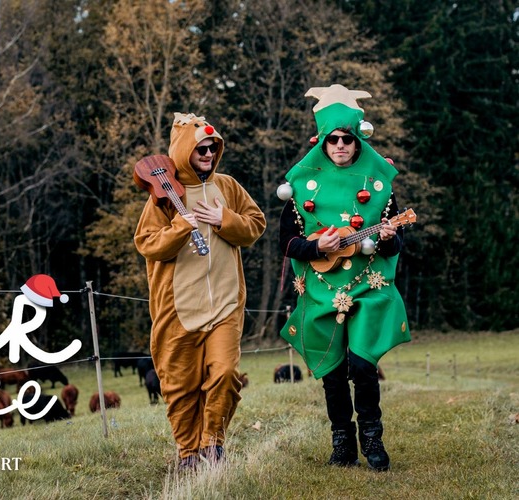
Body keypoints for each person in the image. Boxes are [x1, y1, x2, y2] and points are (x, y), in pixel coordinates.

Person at [278, 84, 410, 471]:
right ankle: (342, 441)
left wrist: (387, 237)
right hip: (322, 288)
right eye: (333, 139)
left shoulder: (379, 185)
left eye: (347, 139)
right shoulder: (300, 186)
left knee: (363, 365)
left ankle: (372, 437)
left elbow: (394, 244)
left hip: (368, 285)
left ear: (357, 141)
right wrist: (316, 248)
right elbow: (287, 243)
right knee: (333, 371)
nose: (340, 145)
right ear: (323, 141)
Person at [134, 113, 266, 471]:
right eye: (201, 149)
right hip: (179, 307)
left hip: (225, 303)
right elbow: (147, 244)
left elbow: (256, 224)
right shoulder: (162, 196)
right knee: (180, 384)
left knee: (225, 374)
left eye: (212, 148)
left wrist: (225, 220)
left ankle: (213, 444)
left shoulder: (228, 187)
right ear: (183, 151)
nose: (208, 154)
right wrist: (180, 227)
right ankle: (188, 453)